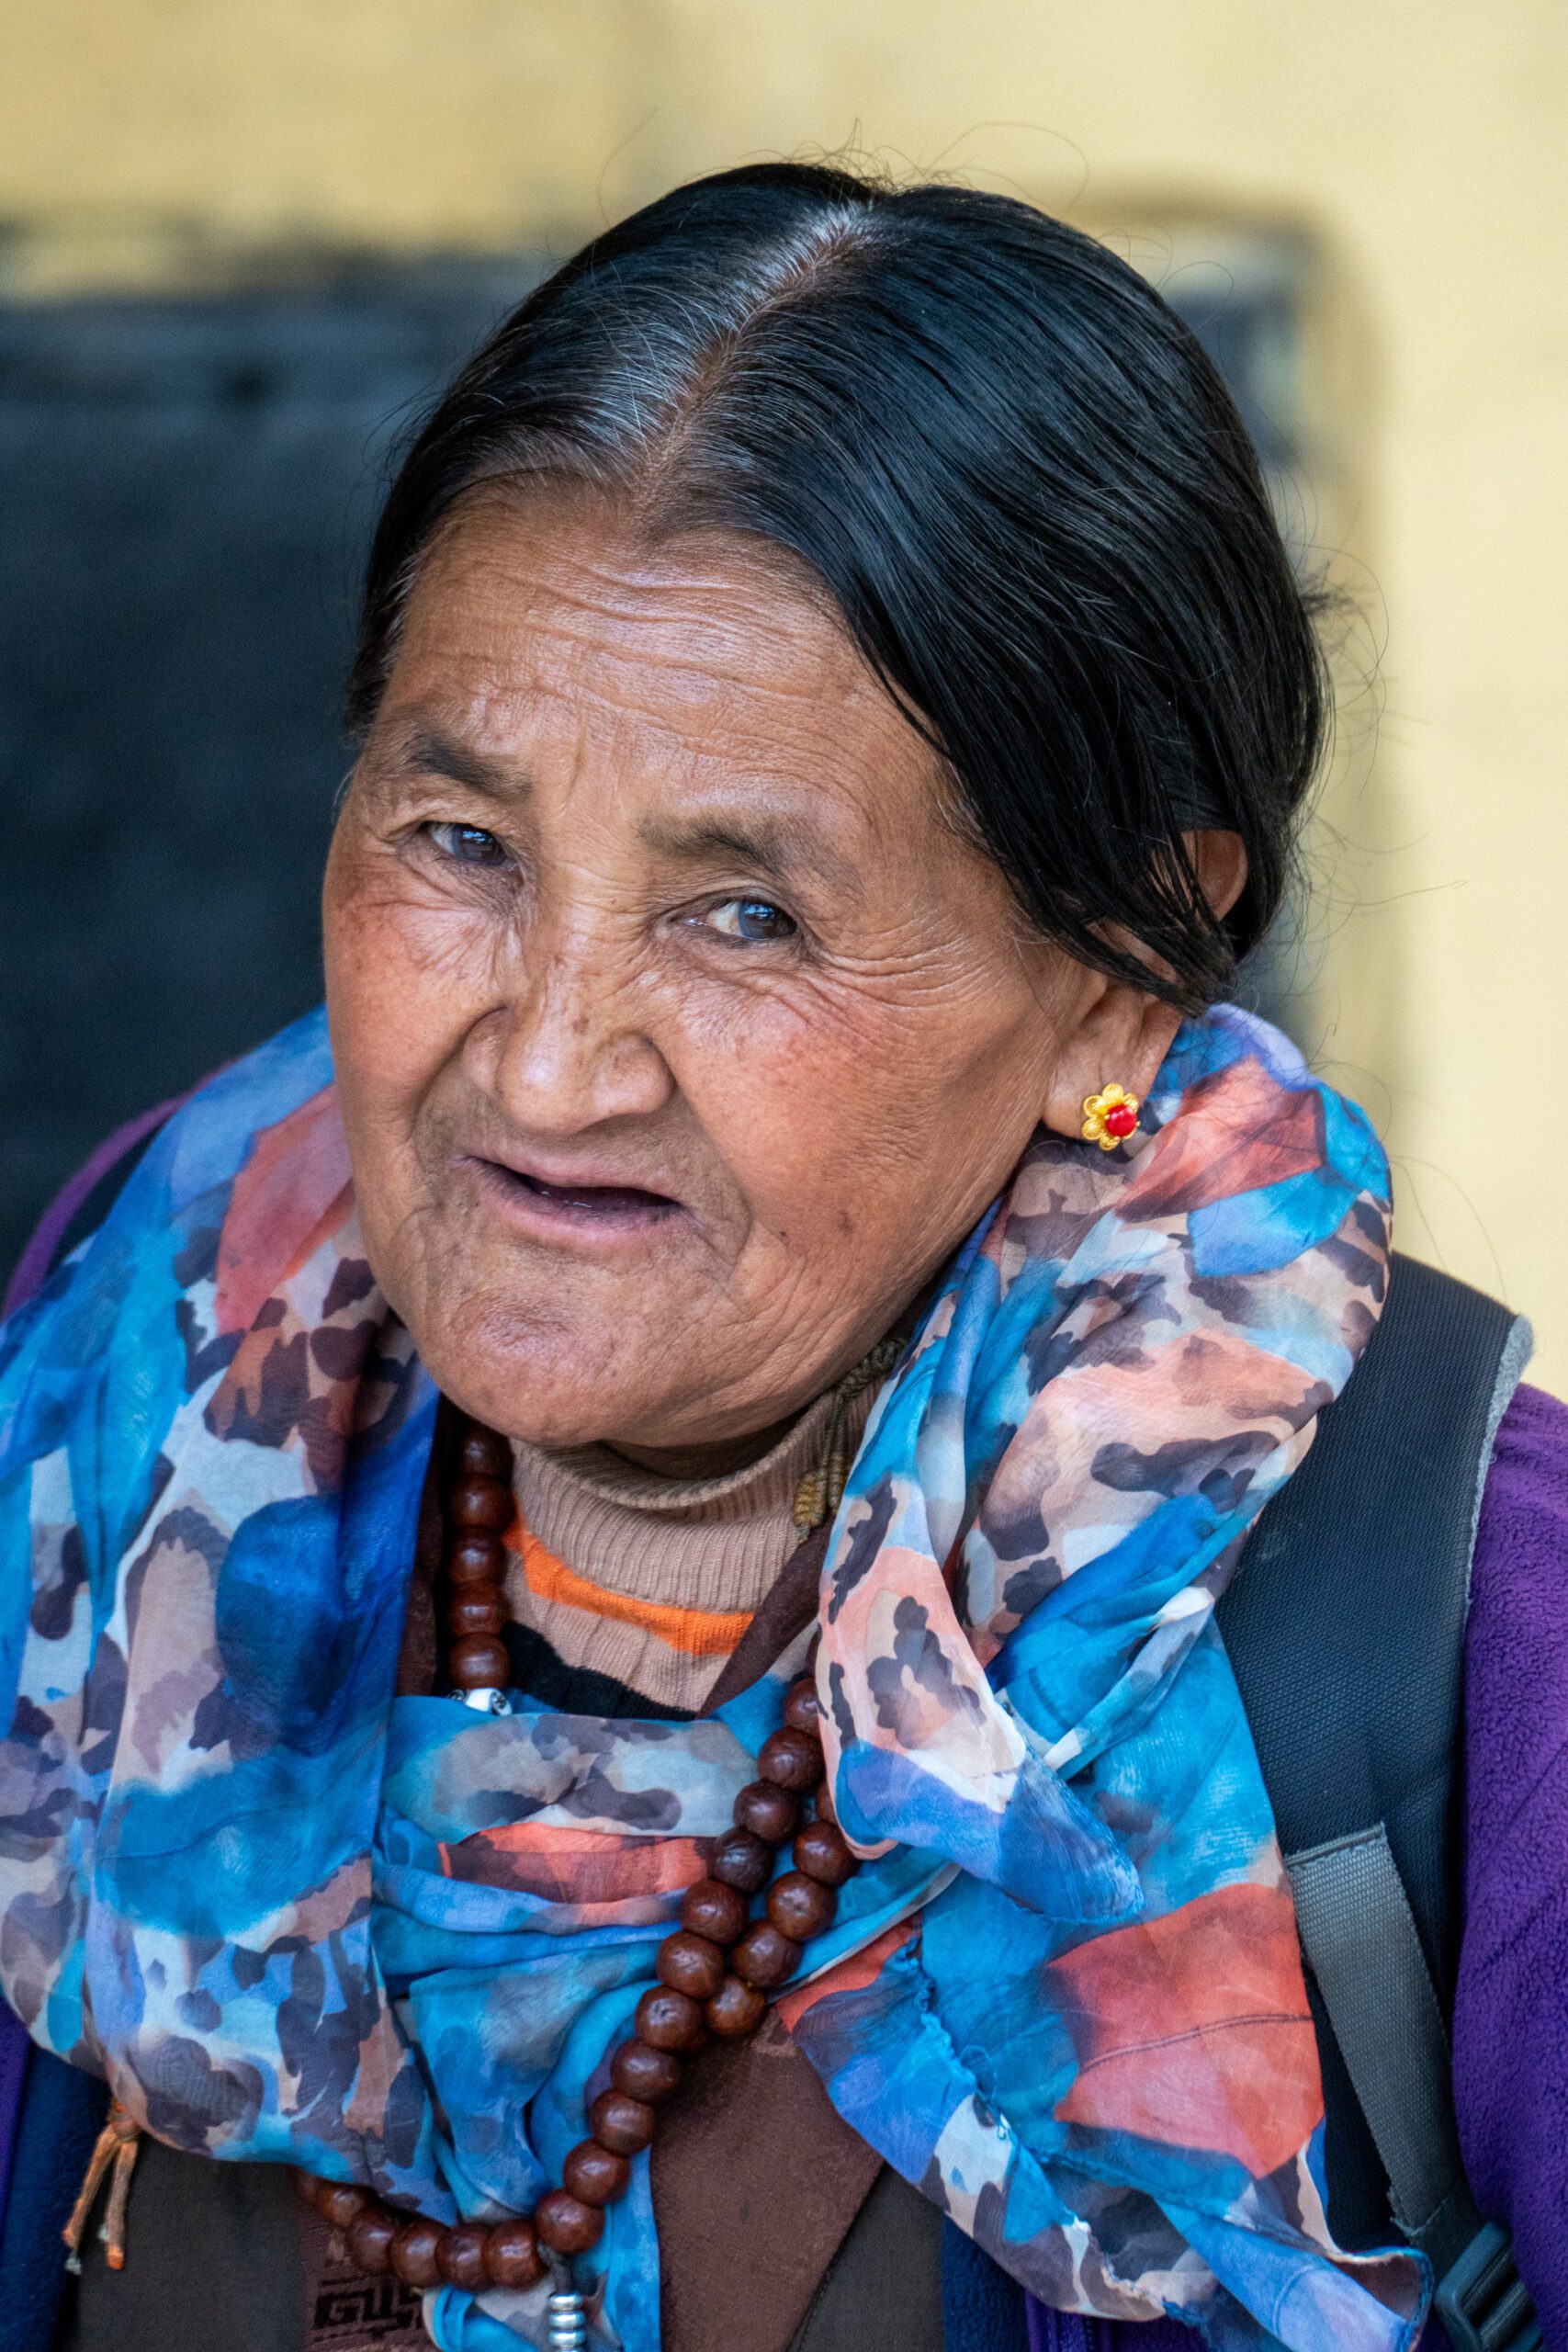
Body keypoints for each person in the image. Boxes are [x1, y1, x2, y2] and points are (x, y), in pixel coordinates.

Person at [0, 161, 1562, 2352]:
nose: (544, 1066)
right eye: (460, 838)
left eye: (745, 913)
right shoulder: (112, 1396)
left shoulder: (1476, 1653)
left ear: (1122, 964)